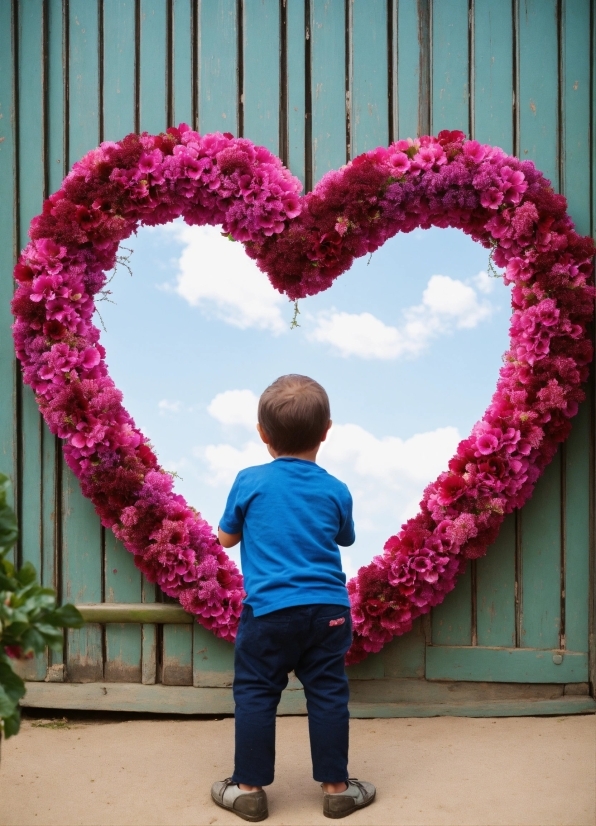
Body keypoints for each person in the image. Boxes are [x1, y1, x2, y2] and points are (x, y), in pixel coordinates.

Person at [210, 374, 376, 822]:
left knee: (257, 693)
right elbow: (346, 537)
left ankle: (247, 789)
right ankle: (337, 790)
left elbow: (225, 539)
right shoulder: (336, 489)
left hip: (268, 612)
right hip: (328, 612)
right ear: (326, 430)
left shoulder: (250, 481)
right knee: (326, 694)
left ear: (263, 434)